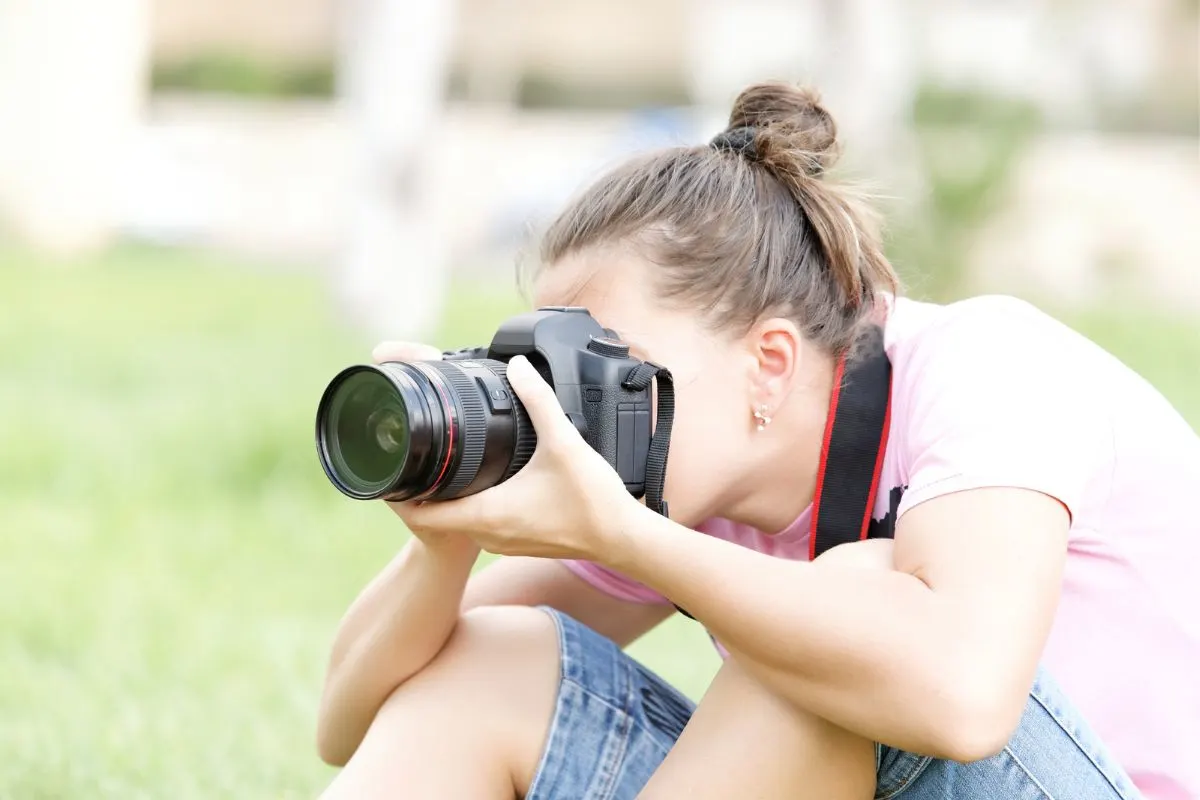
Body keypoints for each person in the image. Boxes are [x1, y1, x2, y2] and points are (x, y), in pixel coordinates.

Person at [314, 82, 1200, 799]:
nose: (579, 408)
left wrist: (629, 537)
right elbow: (349, 720)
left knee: (849, 604)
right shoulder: (684, 482)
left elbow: (964, 699)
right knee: (496, 653)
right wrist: (447, 540)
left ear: (769, 362)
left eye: (605, 368)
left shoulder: (992, 368)